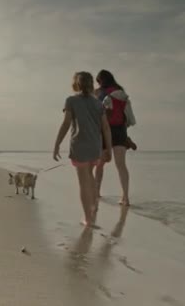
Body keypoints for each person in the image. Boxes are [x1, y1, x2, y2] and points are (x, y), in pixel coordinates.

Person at [53, 71, 112, 227]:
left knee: (83, 183)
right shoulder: (98, 103)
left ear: (76, 84)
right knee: (90, 176)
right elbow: (106, 128)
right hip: (95, 146)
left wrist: (57, 143)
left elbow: (66, 123)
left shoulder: (71, 101)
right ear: (91, 84)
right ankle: (94, 206)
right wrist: (109, 149)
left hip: (79, 146)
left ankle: (88, 218)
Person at [94, 69, 136, 206]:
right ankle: (125, 197)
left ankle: (97, 192)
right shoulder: (121, 92)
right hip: (120, 131)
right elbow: (127, 114)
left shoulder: (98, 93)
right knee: (121, 165)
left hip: (103, 131)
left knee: (100, 164)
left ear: (100, 81)